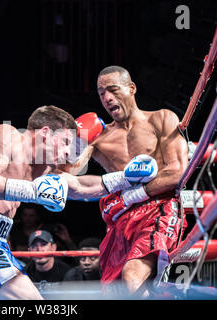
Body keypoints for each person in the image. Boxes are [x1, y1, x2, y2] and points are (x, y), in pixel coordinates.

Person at [0, 104, 157, 300]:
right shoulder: (4, 135)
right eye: (65, 142)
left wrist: (126, 178)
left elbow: (80, 187)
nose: (66, 153)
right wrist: (32, 191)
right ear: (45, 133)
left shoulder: (41, 168)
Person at [61, 65, 188, 297]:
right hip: (120, 219)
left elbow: (178, 172)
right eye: (101, 93)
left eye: (113, 90)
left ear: (131, 88)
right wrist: (76, 141)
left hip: (159, 208)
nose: (107, 98)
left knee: (132, 277)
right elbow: (66, 175)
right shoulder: (99, 137)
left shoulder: (161, 119)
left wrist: (133, 194)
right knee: (115, 291)